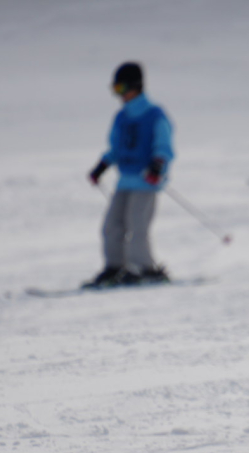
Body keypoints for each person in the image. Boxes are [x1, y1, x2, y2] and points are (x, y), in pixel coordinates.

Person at [85, 62, 174, 288]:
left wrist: (157, 167)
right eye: (115, 90)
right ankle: (115, 267)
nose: (119, 95)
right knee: (111, 225)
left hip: (146, 181)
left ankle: (143, 268)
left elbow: (164, 145)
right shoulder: (121, 117)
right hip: (124, 182)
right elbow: (115, 149)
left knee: (137, 226)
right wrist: (101, 167)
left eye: (121, 89)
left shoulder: (155, 114)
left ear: (135, 86)